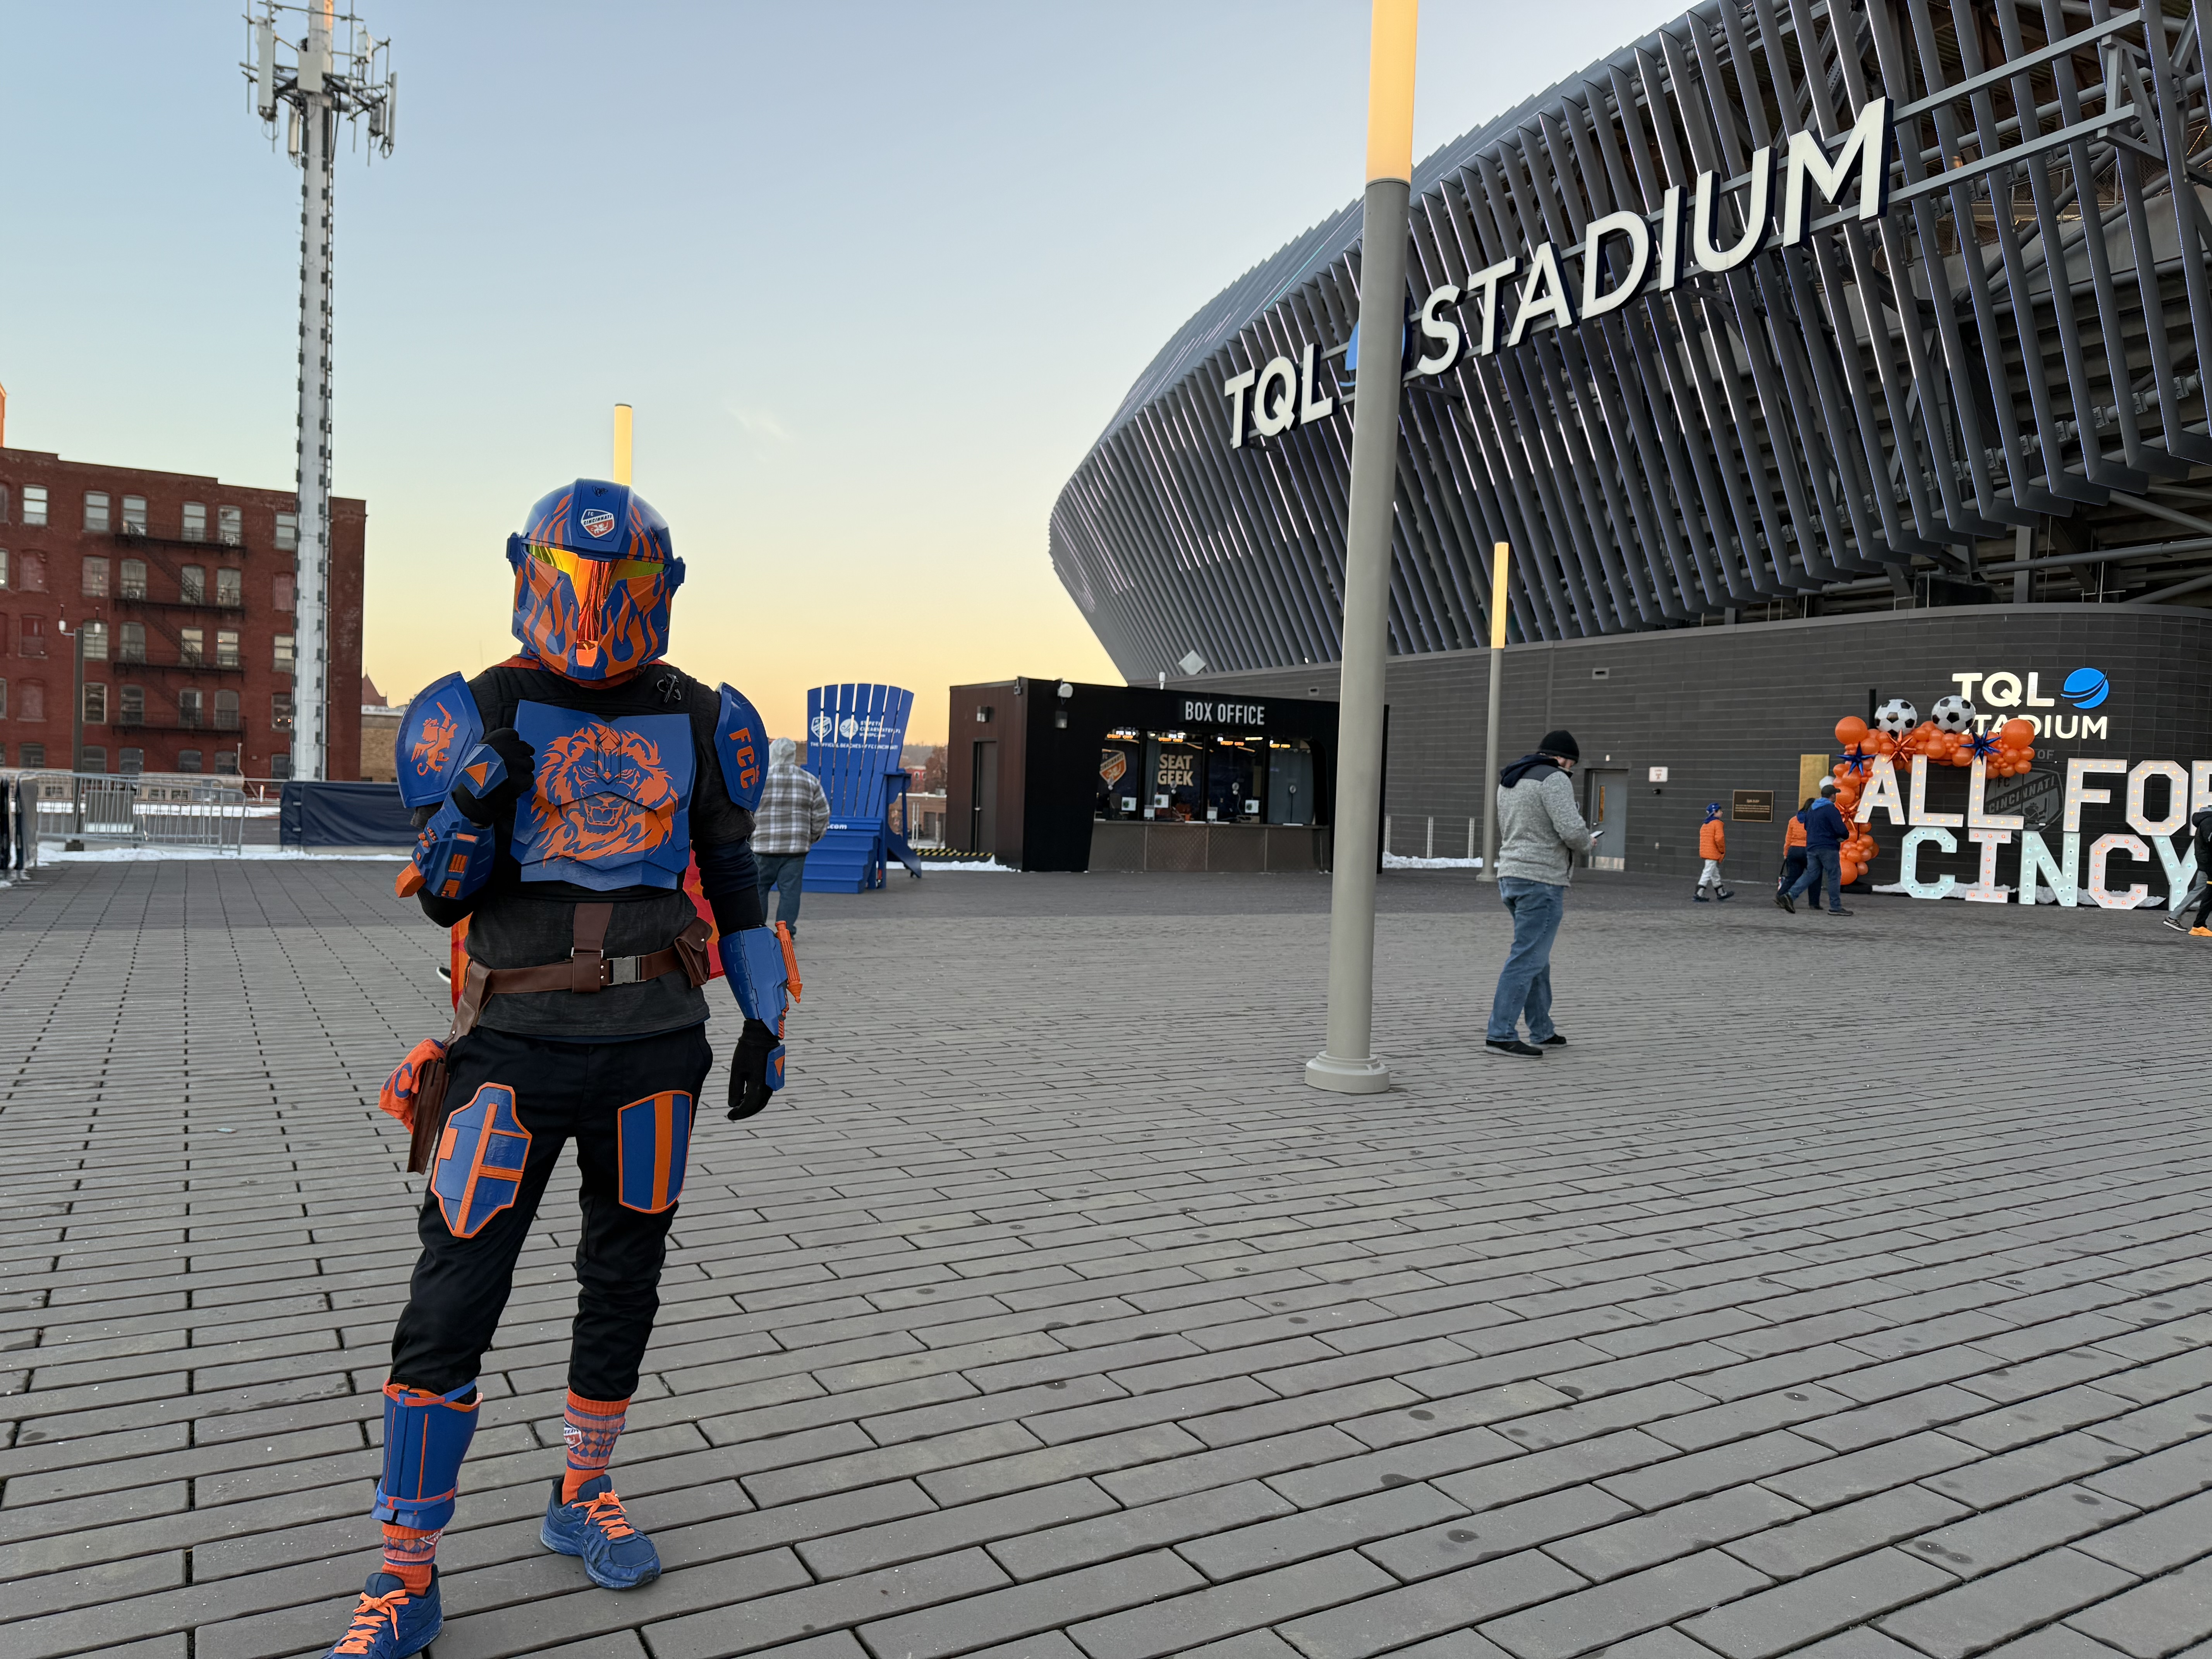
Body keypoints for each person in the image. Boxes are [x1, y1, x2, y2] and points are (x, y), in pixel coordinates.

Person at [329, 479, 799, 1659]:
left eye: (628, 587)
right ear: (531, 573)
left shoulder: (702, 716)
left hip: (651, 1052)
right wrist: (477, 811)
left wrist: (766, 1022)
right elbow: (441, 894)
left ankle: (581, 1491)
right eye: (583, 581)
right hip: (508, 1052)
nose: (599, 608)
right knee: (450, 1300)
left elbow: (734, 888)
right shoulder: (474, 710)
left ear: (663, 592)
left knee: (624, 1276)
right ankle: (406, 1573)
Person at [1485, 728, 1597, 1060]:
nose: (1570, 771)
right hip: (1541, 881)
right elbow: (1570, 828)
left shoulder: (1511, 778)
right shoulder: (1554, 779)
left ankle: (1542, 1029)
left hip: (1512, 876)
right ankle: (1501, 1034)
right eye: (1571, 765)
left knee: (1537, 958)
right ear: (1563, 759)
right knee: (1527, 958)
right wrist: (1587, 843)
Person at [754, 736, 831, 938]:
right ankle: (786, 932)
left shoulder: (758, 779)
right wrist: (811, 837)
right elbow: (822, 814)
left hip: (762, 847)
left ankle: (757, 930)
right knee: (790, 892)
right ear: (793, 755)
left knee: (759, 889)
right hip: (796, 848)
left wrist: (749, 837)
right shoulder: (810, 781)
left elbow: (746, 811)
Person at [1779, 776, 1851, 915]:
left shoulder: (1812, 809)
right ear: (1832, 796)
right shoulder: (1831, 809)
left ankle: (1790, 895)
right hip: (1828, 848)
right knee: (1834, 875)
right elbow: (1841, 830)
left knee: (1811, 874)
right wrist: (1842, 836)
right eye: (1835, 794)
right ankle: (1836, 907)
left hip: (1812, 848)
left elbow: (1807, 826)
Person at [2161, 805, 2212, 934]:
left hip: (2205, 862)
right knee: (2200, 890)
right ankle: (2176, 918)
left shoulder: (2205, 820)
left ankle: (2174, 917)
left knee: (2199, 890)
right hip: (2208, 863)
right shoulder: (2209, 821)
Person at [1776, 798, 1813, 902]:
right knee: (1815, 876)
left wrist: (1786, 853)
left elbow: (1788, 839)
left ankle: (1780, 896)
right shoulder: (1815, 820)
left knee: (1792, 877)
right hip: (1809, 850)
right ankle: (1814, 903)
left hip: (1794, 850)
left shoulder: (1793, 820)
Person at [1694, 803, 1733, 901]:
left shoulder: (1705, 824)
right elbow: (1720, 839)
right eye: (1720, 811)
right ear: (1715, 812)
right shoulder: (1718, 823)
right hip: (1713, 852)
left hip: (1706, 852)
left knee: (1714, 873)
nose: (1722, 813)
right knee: (1707, 872)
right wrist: (1722, 850)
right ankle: (1699, 893)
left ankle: (1721, 892)